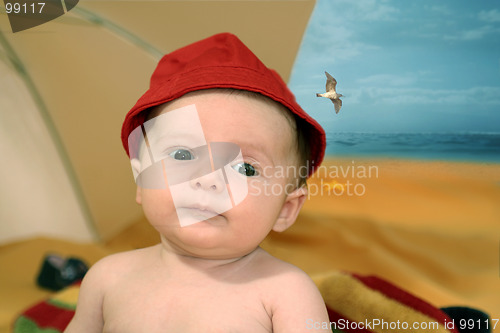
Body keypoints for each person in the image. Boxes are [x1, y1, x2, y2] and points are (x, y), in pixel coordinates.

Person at [64, 32, 330, 333]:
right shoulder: (106, 278)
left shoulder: (285, 293)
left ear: (285, 209)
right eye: (182, 154)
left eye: (245, 168)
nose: (207, 179)